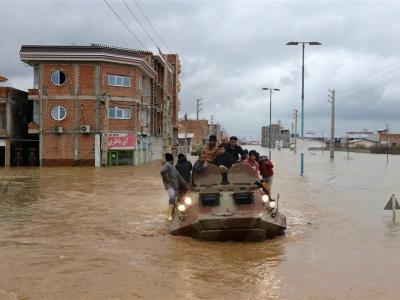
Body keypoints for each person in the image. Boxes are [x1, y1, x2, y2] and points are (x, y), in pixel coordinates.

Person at [160, 153, 188, 221]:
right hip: (170, 186)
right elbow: (162, 171)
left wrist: (185, 185)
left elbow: (179, 177)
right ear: (172, 160)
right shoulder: (168, 165)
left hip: (175, 187)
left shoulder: (173, 167)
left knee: (176, 201)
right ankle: (169, 216)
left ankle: (173, 215)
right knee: (172, 197)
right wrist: (168, 180)